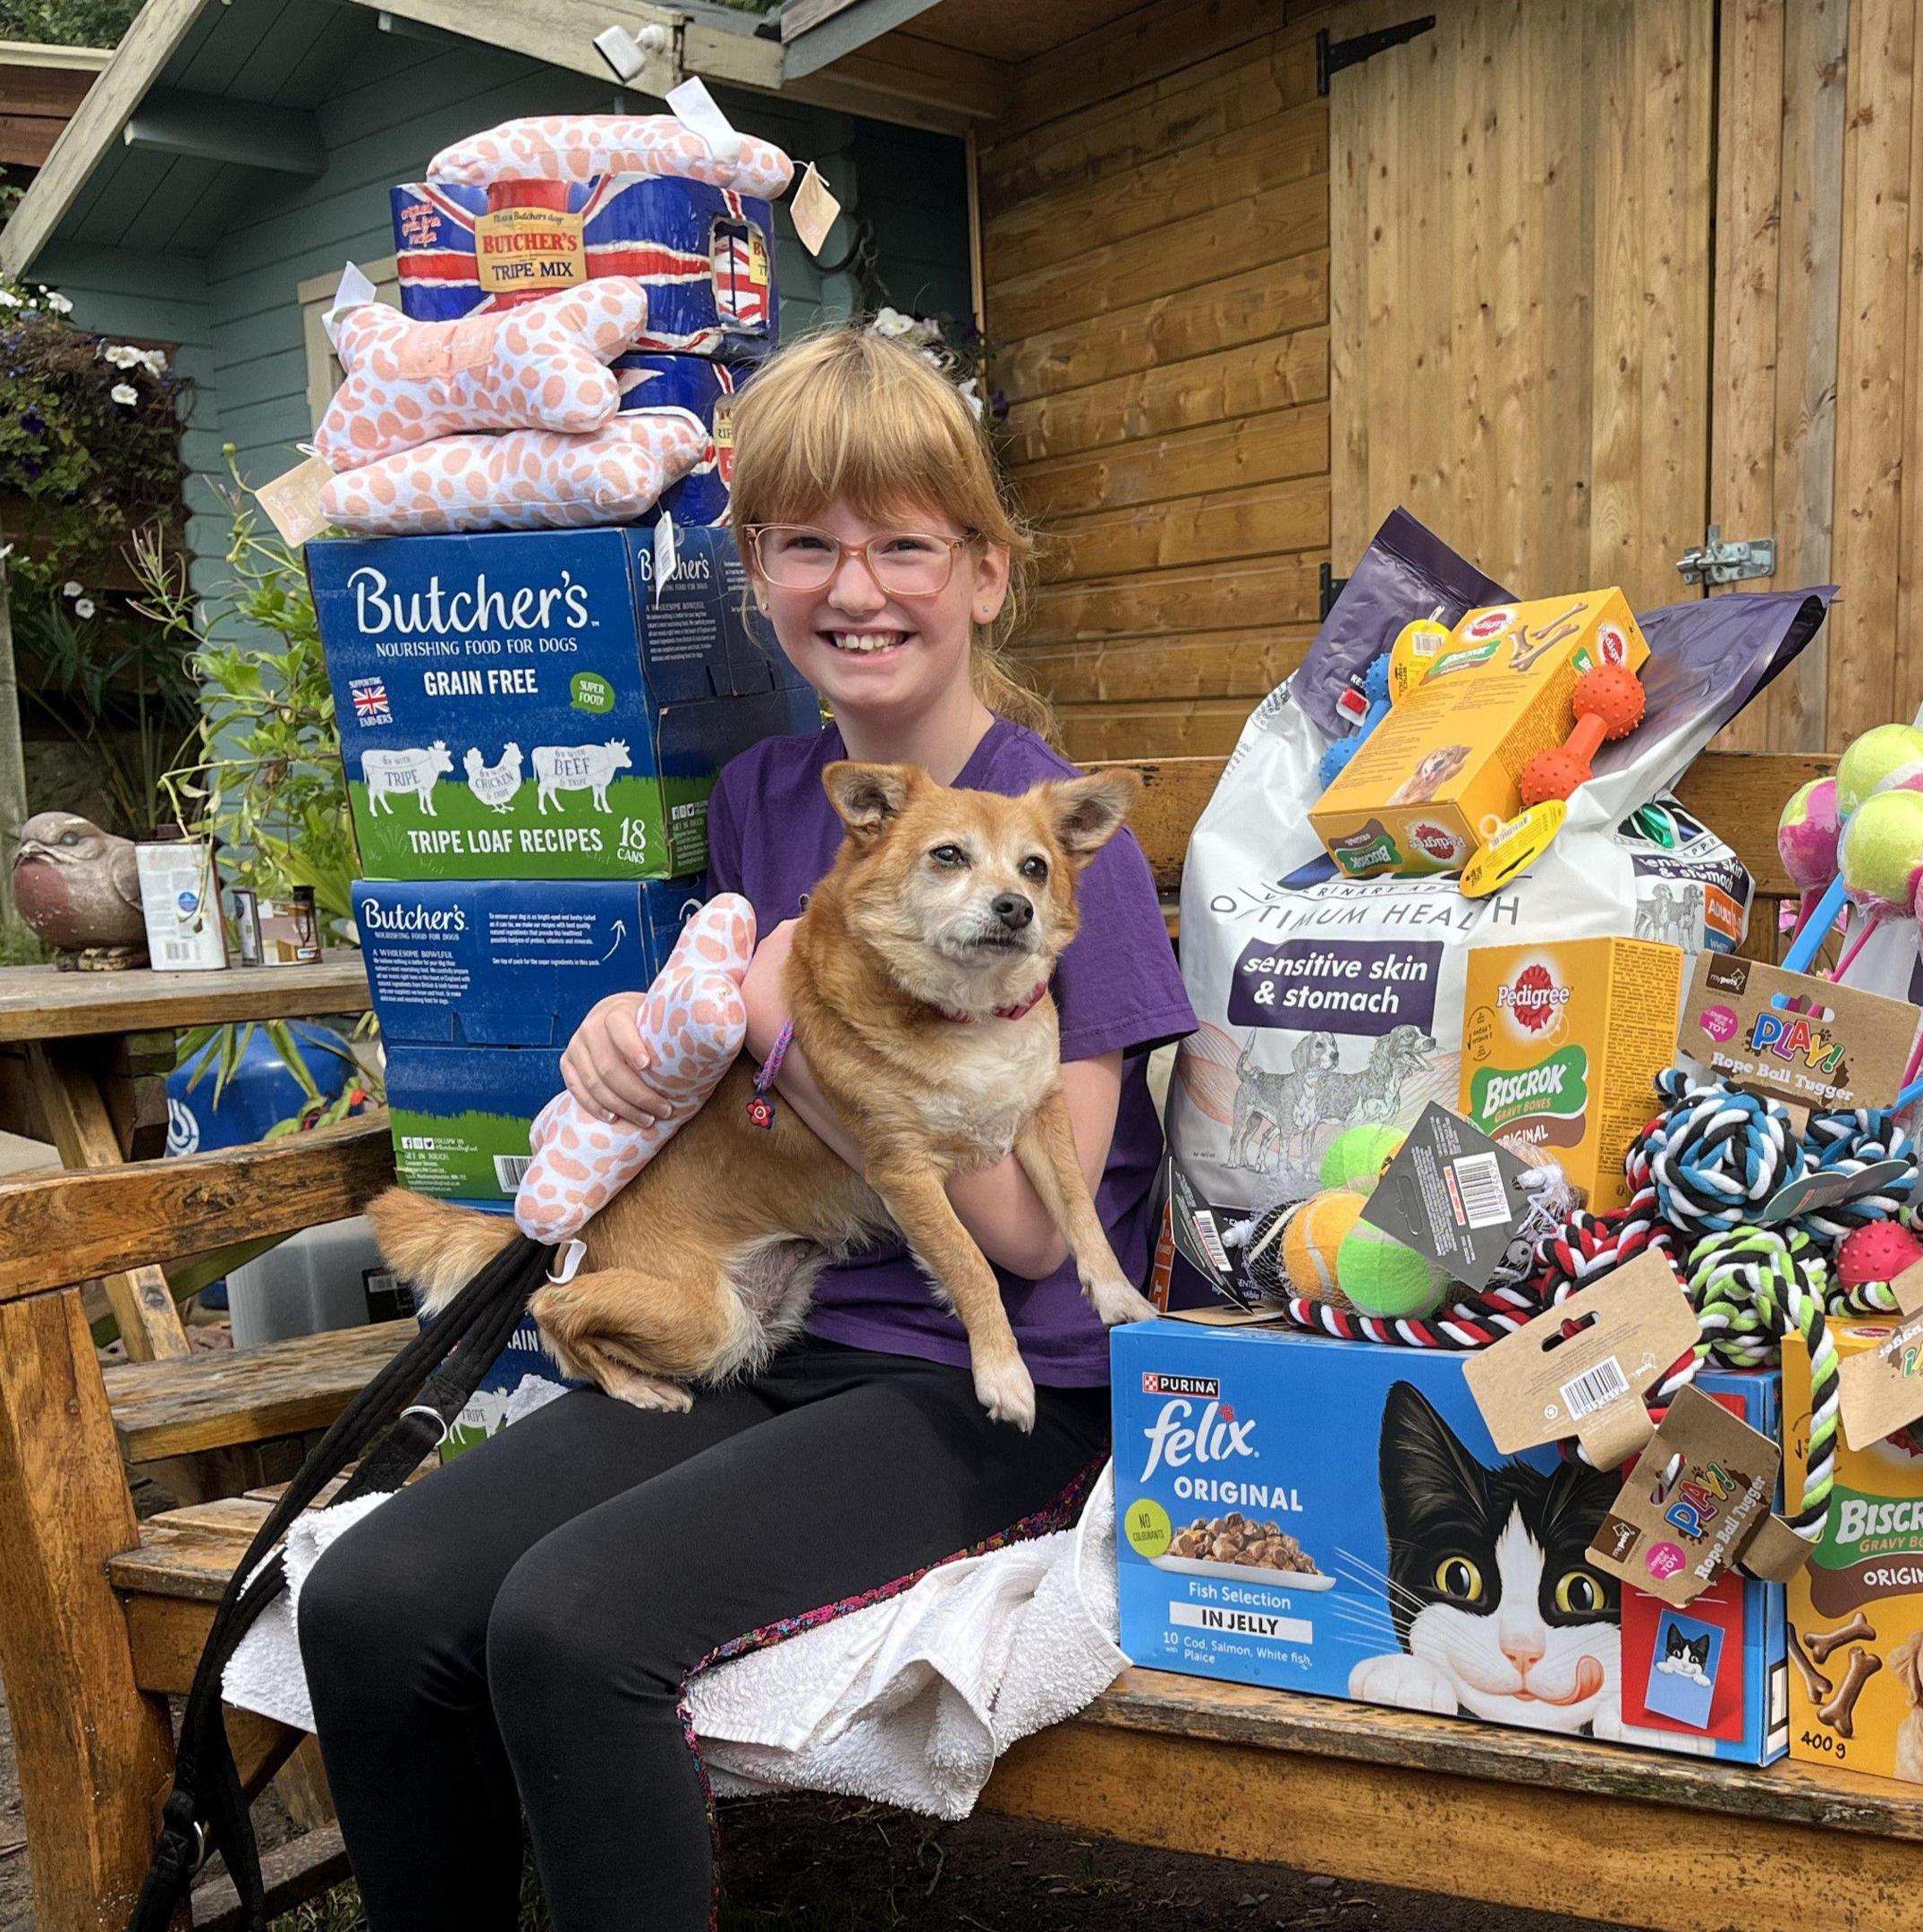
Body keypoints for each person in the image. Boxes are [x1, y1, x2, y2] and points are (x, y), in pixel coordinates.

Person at [296, 324, 1196, 1931]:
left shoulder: (1058, 845)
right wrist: (635, 1030)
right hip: (778, 1330)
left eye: (904, 542)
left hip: (992, 1385)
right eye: (806, 545)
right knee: (373, 1600)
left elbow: (1026, 1230)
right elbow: (730, 1061)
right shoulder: (773, 796)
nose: (856, 587)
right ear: (756, 569)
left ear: (986, 572)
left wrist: (792, 1011)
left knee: (572, 1631)